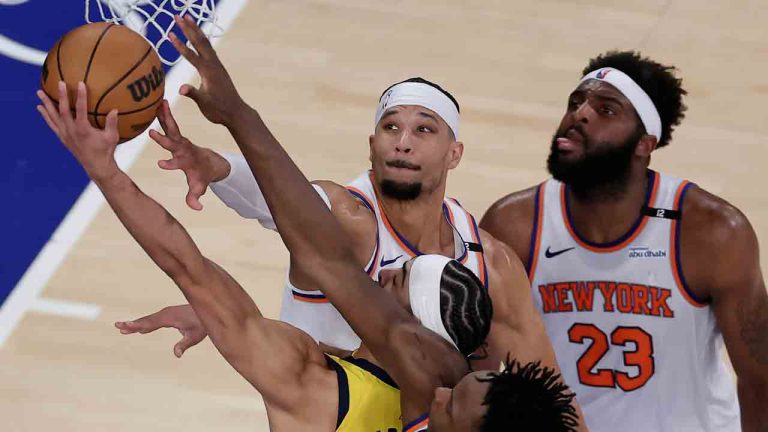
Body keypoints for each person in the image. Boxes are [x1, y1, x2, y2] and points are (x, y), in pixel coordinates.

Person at [35, 17, 581, 431]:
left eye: (449, 402)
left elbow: (193, 263)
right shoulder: (444, 373)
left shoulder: (310, 387)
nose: (444, 391)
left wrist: (104, 168)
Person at [117, 35, 556, 378]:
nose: (403, 141)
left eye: (424, 129)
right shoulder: (349, 221)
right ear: (372, 146)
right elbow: (286, 200)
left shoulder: (490, 263)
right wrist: (216, 166)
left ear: (454, 154)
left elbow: (546, 387)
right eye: (391, 127)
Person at [480, 50, 768, 431]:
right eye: (576, 102)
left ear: (644, 144)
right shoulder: (514, 225)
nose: (579, 114)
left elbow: (760, 376)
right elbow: (475, 364)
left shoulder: (711, 233)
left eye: (606, 109)